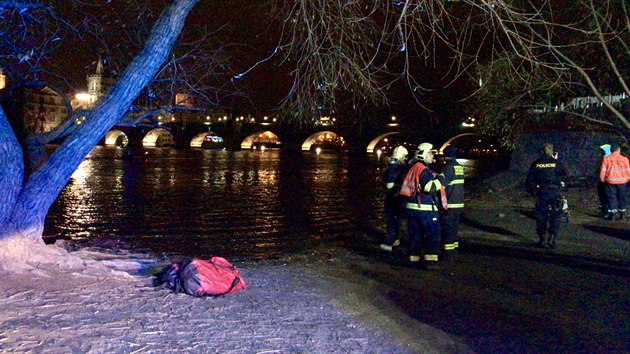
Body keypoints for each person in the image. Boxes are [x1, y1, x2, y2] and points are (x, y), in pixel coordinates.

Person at [400, 142, 447, 269]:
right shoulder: (424, 170)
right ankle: (431, 262)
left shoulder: (413, 167)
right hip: (424, 209)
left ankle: (413, 260)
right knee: (434, 235)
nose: (433, 156)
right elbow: (429, 187)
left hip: (411, 208)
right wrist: (441, 180)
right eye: (431, 154)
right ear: (424, 154)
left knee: (415, 236)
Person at [525, 143, 567, 249]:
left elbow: (529, 180)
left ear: (541, 152)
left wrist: (532, 192)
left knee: (541, 216)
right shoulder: (556, 163)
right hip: (554, 192)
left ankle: (542, 240)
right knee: (555, 216)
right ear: (552, 151)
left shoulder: (536, 163)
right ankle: (552, 239)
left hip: (541, 192)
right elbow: (564, 174)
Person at [379, 145, 408, 261]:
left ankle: (393, 251)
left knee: (395, 229)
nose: (405, 159)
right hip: (393, 203)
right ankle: (385, 253)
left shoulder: (392, 168)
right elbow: (390, 186)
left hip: (393, 203)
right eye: (404, 157)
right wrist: (402, 188)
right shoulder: (394, 169)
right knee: (392, 230)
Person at [440, 145, 464, 262]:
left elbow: (442, 186)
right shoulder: (459, 167)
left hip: (449, 204)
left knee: (448, 229)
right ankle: (454, 253)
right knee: (454, 229)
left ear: (446, 156)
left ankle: (448, 255)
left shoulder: (448, 168)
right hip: (458, 203)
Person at [600, 144, 630, 220]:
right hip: (622, 181)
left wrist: (602, 179)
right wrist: (627, 179)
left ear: (611, 150)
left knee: (611, 197)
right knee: (621, 197)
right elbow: (628, 171)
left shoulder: (606, 159)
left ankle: (612, 214)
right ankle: (622, 214)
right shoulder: (625, 159)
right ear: (618, 150)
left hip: (610, 181)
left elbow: (603, 171)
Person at [596, 144, 612, 217]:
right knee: (602, 195)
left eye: (602, 151)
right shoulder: (602, 158)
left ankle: (607, 211)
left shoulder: (608, 159)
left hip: (606, 180)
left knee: (606, 196)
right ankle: (604, 210)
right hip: (602, 180)